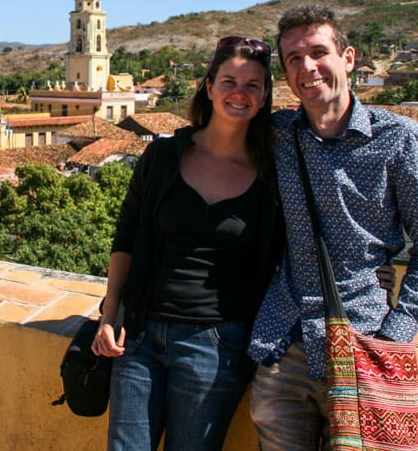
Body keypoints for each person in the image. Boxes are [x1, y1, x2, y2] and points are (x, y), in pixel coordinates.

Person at [247, 5, 418, 450]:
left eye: (318, 52)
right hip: (286, 342)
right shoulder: (278, 133)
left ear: (349, 58)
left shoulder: (399, 139)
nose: (307, 67)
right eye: (294, 59)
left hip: (364, 340)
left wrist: (394, 333)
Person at [92, 36, 283, 451]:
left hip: (217, 346)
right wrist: (110, 315)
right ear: (209, 86)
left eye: (253, 85)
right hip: (138, 338)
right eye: (229, 81)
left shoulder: (271, 174)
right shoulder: (162, 156)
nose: (239, 93)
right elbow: (125, 237)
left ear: (265, 96)